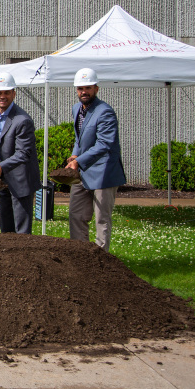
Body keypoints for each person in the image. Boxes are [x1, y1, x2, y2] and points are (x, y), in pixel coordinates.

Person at [65, 68, 126, 252]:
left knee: (101, 218)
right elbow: (79, 138)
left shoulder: (105, 112)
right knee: (76, 214)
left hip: (104, 172)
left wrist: (78, 161)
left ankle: (101, 260)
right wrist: (75, 155)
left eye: (88, 88)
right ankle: (81, 255)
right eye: (80, 88)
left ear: (96, 89)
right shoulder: (77, 109)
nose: (84, 92)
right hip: (83, 170)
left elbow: (104, 144)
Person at [0, 71, 41, 234]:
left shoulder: (22, 120)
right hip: (3, 177)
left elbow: (24, 153)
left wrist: (2, 166)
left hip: (21, 179)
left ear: (14, 94)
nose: (2, 96)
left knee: (22, 230)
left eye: (6, 92)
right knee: (6, 227)